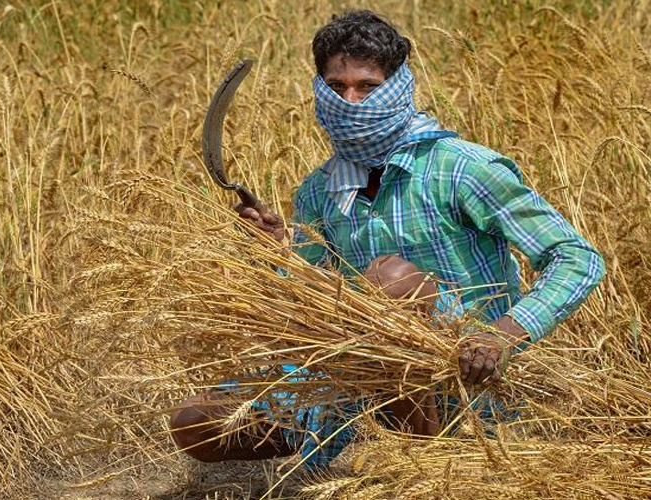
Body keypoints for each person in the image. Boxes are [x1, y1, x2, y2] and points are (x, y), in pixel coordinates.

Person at [171, 9, 605, 469]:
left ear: (396, 88)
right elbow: (319, 300)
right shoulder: (320, 190)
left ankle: (430, 462)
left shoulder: (461, 168)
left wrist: (500, 337)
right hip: (364, 382)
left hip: (466, 376)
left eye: (366, 86)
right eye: (337, 88)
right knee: (196, 420)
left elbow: (577, 258)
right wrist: (280, 253)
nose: (350, 102)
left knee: (390, 279)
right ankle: (370, 438)